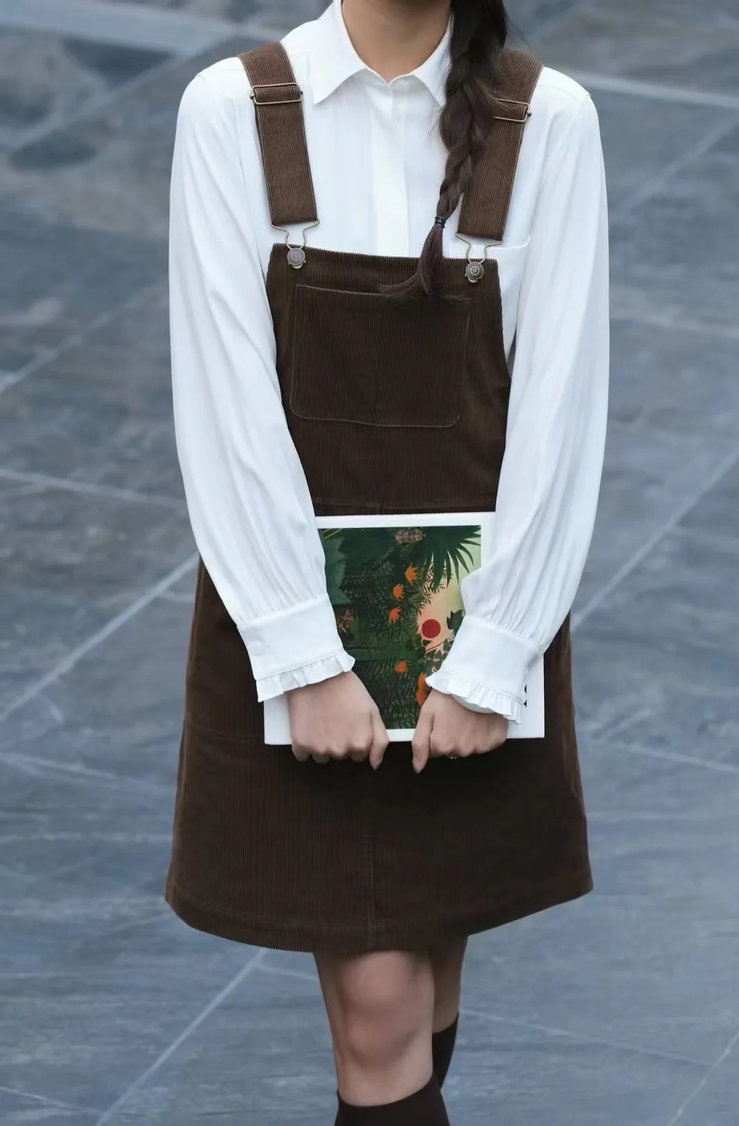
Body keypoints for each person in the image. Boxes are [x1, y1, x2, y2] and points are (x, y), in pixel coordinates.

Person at [164, 0, 609, 1121]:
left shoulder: (549, 120)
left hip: (474, 646)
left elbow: (561, 414)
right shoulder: (232, 112)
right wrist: (305, 661)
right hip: (297, 651)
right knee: (380, 1012)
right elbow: (225, 410)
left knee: (427, 977)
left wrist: (494, 659)